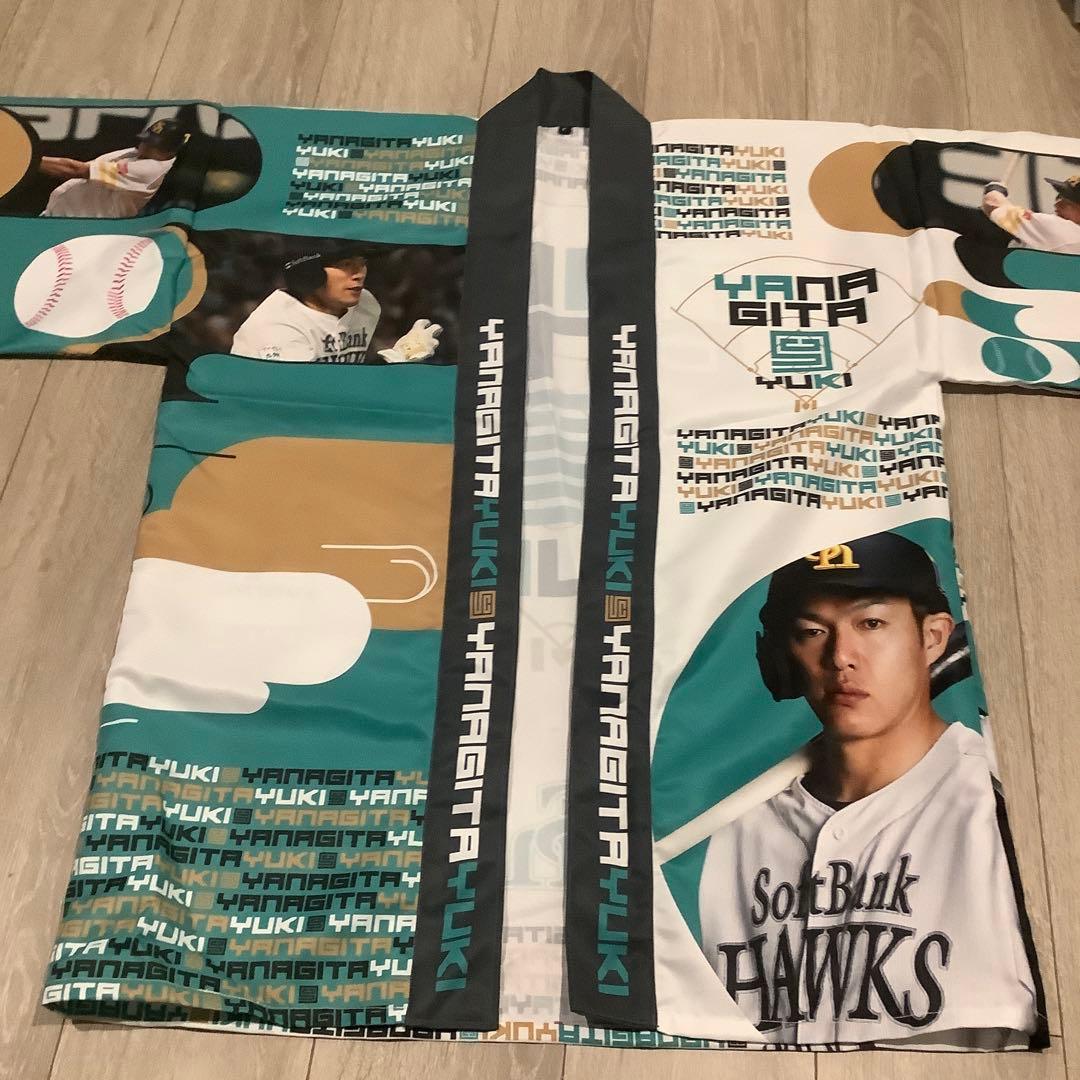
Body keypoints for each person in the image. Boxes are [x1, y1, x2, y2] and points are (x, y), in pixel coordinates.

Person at [697, 532, 1044, 1048]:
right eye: (813, 631)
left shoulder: (1003, 792)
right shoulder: (732, 822)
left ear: (934, 637)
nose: (841, 657)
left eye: (872, 623)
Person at [230, 247, 441, 365]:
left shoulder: (366, 305)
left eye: (362, 263)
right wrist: (396, 358)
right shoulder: (276, 327)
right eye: (346, 265)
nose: (358, 274)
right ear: (308, 273)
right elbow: (309, 398)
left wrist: (400, 355)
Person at [39, 118, 187, 218]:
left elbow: (77, 171)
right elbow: (82, 168)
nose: (145, 146)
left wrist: (31, 160)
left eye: (153, 145)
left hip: (78, 230)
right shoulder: (136, 153)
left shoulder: (149, 171)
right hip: (56, 217)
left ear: (170, 151)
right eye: (146, 140)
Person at [980, 173, 1080, 254]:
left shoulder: (1060, 228)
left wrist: (995, 189)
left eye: (1067, 203)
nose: (1056, 205)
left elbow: (992, 203)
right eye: (1059, 197)